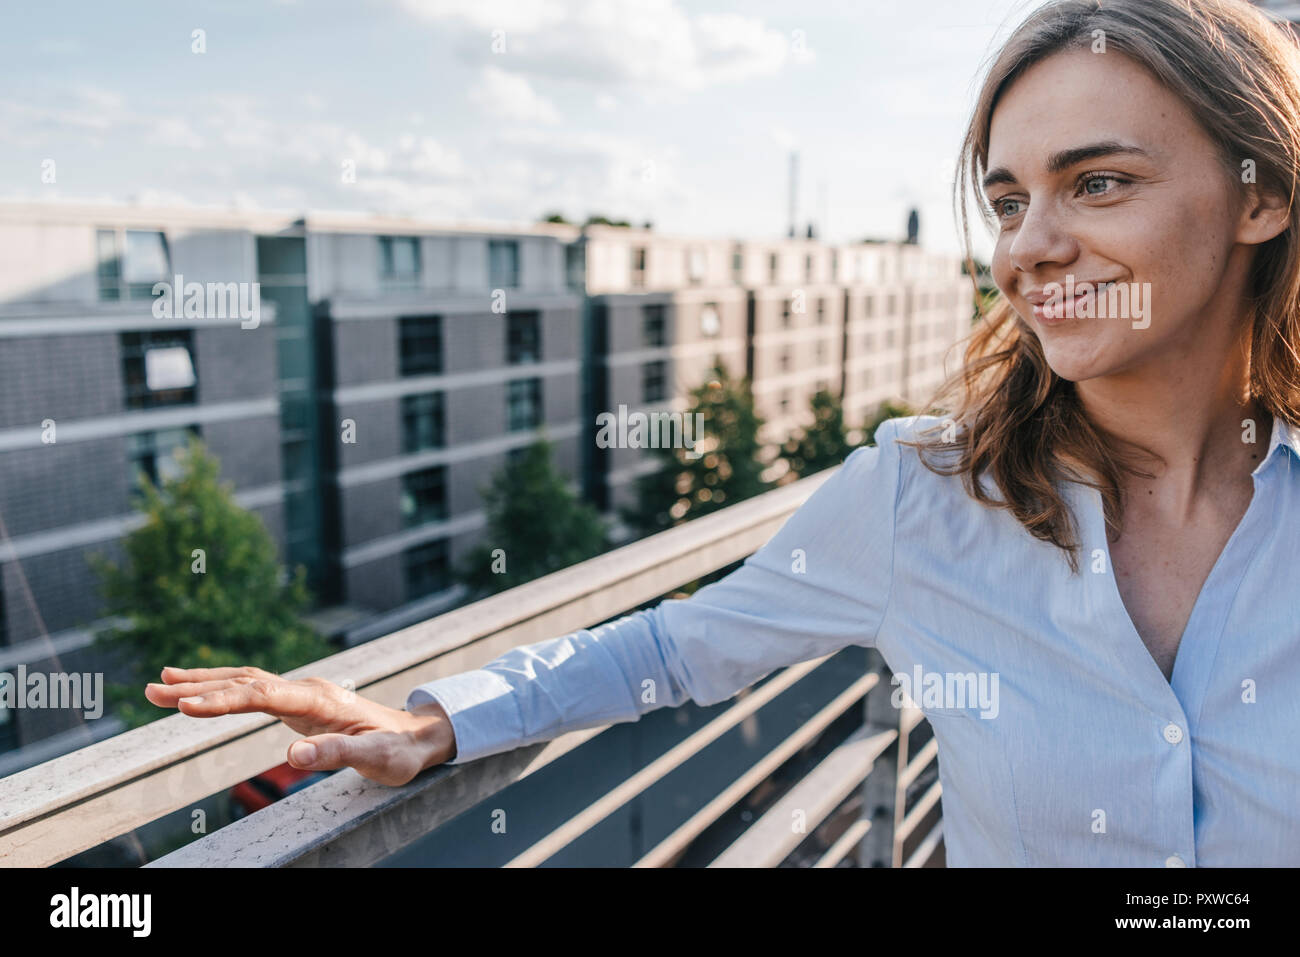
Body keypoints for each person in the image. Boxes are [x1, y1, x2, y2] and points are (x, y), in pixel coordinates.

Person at [145, 0, 1300, 865]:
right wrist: (433, 719)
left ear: (1261, 195)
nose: (1025, 249)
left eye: (1096, 183)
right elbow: (674, 649)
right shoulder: (924, 499)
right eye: (1006, 200)